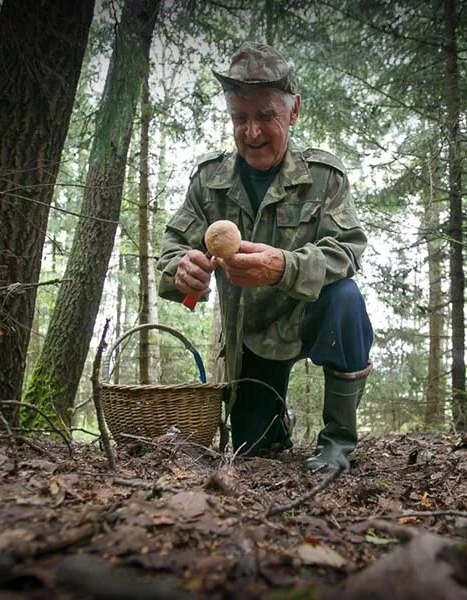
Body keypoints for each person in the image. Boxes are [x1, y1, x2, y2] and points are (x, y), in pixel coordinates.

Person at [156, 42, 373, 471]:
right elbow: (171, 250)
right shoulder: (208, 181)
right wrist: (181, 269)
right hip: (250, 333)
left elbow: (348, 248)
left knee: (345, 298)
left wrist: (284, 267)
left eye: (265, 116)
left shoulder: (322, 177)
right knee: (253, 451)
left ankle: (337, 444)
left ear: (293, 113)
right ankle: (274, 426)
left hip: (311, 311)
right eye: (240, 118)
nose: (251, 132)